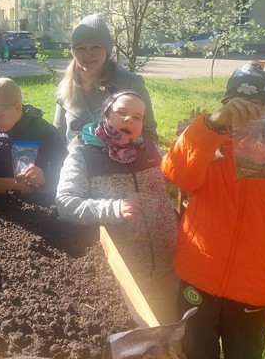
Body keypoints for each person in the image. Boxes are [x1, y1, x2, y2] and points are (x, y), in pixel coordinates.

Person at [160, 63, 265, 359]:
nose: (247, 114)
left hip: (251, 298)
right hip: (197, 283)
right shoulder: (208, 150)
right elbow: (176, 173)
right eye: (237, 106)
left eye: (257, 106)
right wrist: (213, 124)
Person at [55, 90, 179, 326]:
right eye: (120, 113)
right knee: (135, 343)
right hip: (121, 278)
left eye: (137, 117)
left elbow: (183, 174)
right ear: (105, 114)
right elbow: (66, 203)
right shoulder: (83, 156)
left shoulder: (151, 152)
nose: (128, 120)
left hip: (168, 269)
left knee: (168, 340)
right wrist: (112, 208)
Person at [54, 14, 157, 145]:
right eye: (81, 48)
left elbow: (150, 135)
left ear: (107, 50)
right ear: (74, 52)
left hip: (121, 164)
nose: (88, 54)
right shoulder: (65, 87)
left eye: (95, 47)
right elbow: (56, 137)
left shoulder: (130, 83)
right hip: (73, 163)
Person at [0, 77, 67, 194]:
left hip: (33, 197)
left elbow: (65, 167)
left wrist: (46, 176)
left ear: (17, 108)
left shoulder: (44, 131)